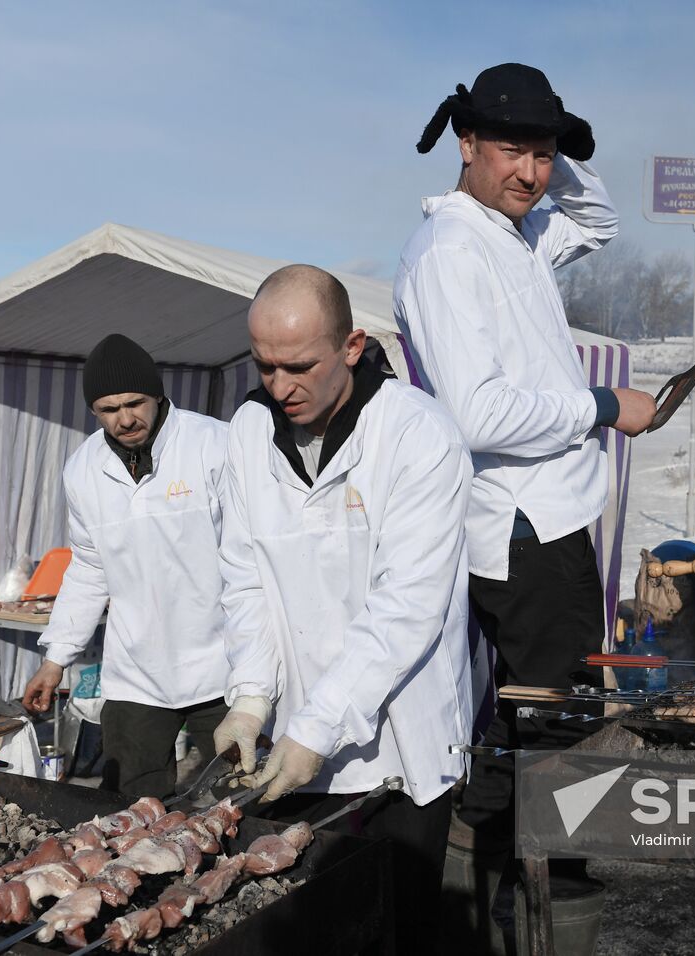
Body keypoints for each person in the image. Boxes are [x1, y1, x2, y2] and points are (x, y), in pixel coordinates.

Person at [393, 61, 655, 921]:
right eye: (511, 150)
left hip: (549, 520)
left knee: (535, 723)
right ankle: (553, 902)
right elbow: (476, 414)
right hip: (521, 529)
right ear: (464, 144)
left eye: (541, 155)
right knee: (562, 730)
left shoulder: (515, 232)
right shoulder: (450, 253)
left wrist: (556, 146)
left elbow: (601, 219)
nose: (530, 173)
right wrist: (604, 406)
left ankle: (508, 893)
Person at [213, 265, 474, 952]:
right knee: (305, 928)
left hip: (400, 742)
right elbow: (246, 578)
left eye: (299, 367)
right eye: (264, 366)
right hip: (299, 739)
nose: (280, 387)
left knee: (399, 928)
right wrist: (249, 698)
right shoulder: (246, 432)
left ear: (352, 347)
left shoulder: (418, 435)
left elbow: (407, 607)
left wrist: (318, 725)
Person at [20, 334, 233, 799]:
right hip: (137, 669)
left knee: (248, 799)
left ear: (157, 394)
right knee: (133, 809)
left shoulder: (214, 446)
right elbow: (89, 566)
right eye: (108, 409)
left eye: (135, 403)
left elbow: (252, 557)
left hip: (224, 664)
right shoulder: (83, 469)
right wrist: (56, 658)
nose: (125, 418)